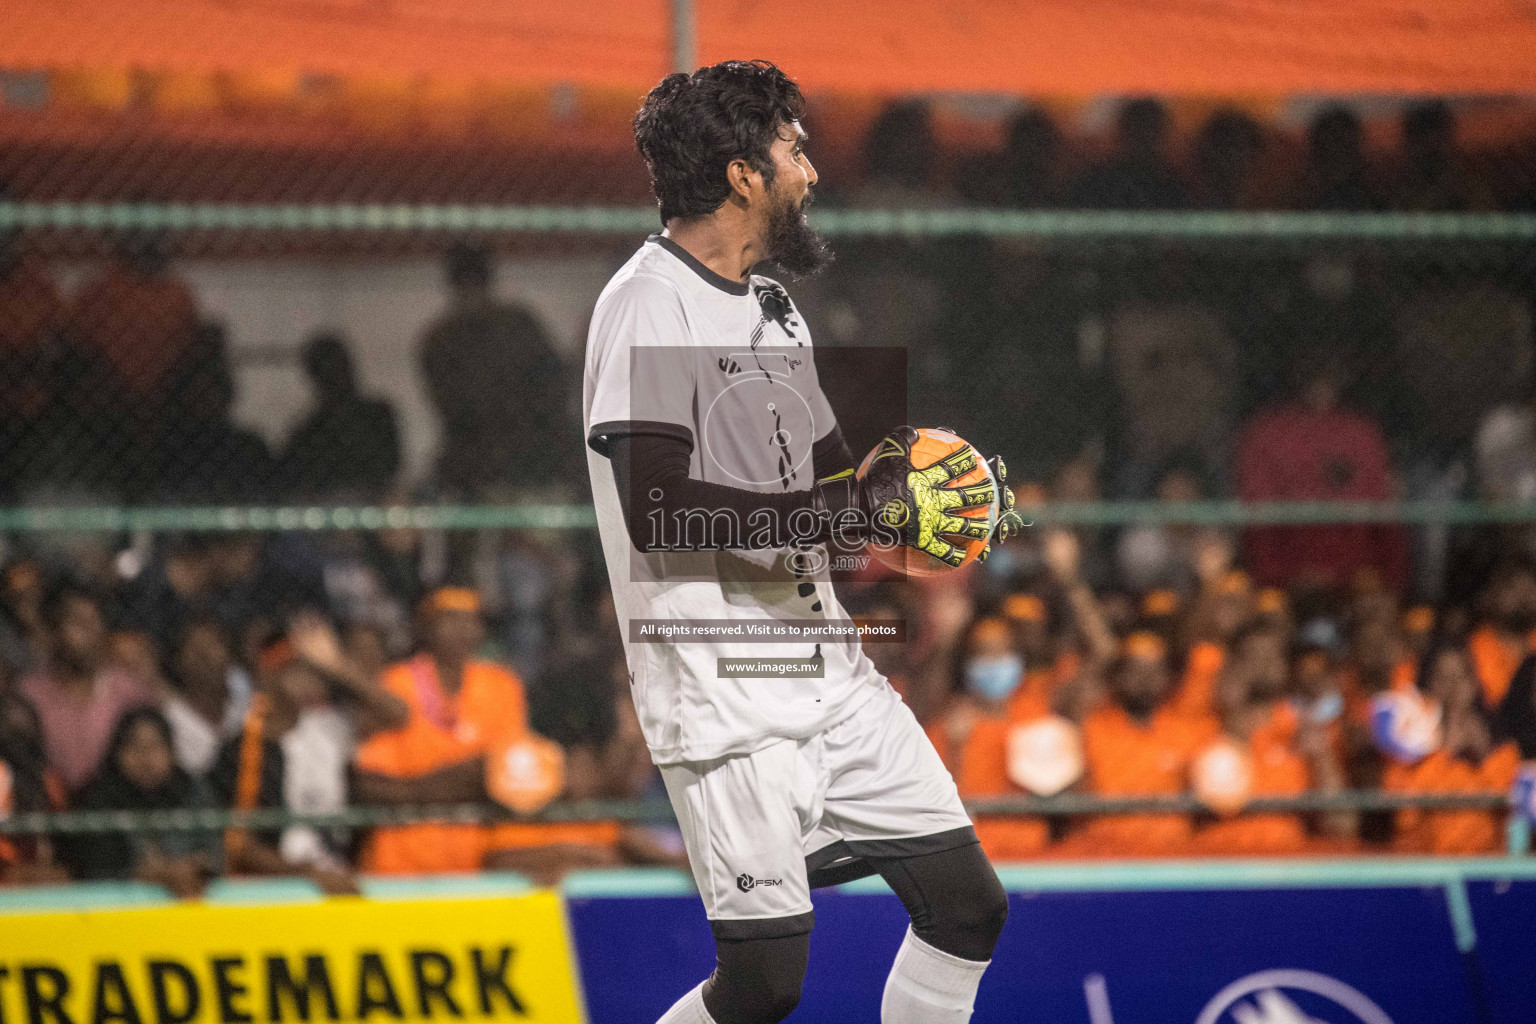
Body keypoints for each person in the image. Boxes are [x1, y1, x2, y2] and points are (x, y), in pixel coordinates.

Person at [585, 62, 1020, 1024]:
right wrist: (838, 515)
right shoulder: (649, 301)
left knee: (968, 908)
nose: (810, 170)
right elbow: (658, 509)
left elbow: (830, 490)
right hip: (721, 694)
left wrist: (911, 505)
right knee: (764, 987)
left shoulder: (773, 305)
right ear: (744, 173)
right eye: (794, 148)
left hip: (829, 678)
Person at [354, 588, 623, 878]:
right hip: (400, 865)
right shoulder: (395, 683)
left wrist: (460, 781)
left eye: (471, 620)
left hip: (477, 866)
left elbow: (504, 777)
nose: (462, 629)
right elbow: (369, 784)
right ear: (426, 627)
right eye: (450, 619)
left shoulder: (502, 684)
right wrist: (466, 780)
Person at [1233, 353, 1408, 592]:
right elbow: (1259, 519)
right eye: (1311, 366)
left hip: (1358, 581)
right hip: (1284, 580)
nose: (1321, 381)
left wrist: (1388, 586)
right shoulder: (1265, 431)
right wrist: (1274, 581)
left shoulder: (1362, 432)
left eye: (1329, 368)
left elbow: (1386, 516)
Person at [419, 244, 575, 496]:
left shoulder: (440, 338)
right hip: (505, 451)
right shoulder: (516, 324)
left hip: (502, 453)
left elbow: (554, 387)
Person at [58, 707, 221, 897]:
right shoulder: (97, 798)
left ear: (171, 752)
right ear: (117, 752)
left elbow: (213, 855)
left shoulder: (192, 790)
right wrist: (163, 874)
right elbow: (97, 868)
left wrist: (191, 869)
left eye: (155, 745)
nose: (145, 757)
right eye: (134, 746)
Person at [20, 582, 156, 792]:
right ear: (52, 630)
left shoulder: (129, 692)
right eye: (78, 622)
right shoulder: (29, 696)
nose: (90, 632)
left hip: (117, 808)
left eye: (94, 620)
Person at [1386, 643, 1520, 855]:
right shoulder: (1406, 751)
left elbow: (1513, 810)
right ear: (1426, 687)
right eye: (1442, 678)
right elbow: (1404, 817)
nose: (1453, 688)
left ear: (1474, 683)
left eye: (1461, 677)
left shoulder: (1500, 747)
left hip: (1487, 871)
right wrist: (1444, 753)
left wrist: (1481, 755)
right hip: (1423, 872)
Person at [278, 332, 401, 500]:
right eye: (326, 368)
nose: (334, 375)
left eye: (337, 366)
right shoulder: (308, 432)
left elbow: (389, 466)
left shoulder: (377, 416)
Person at [1065, 98, 1186, 210]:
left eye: (1147, 131)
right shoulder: (1175, 186)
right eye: (1137, 130)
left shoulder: (1173, 187)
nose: (1142, 137)